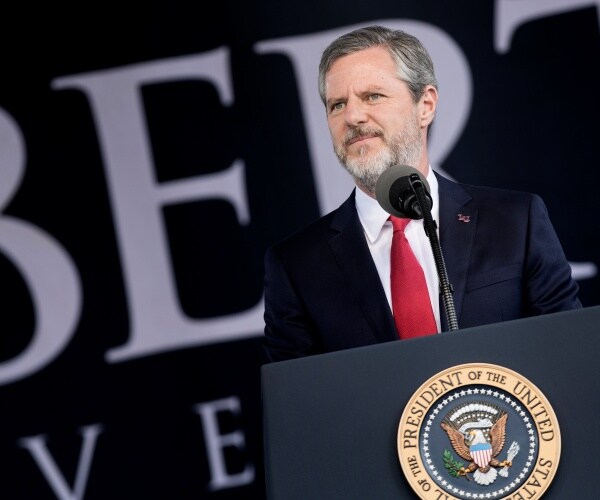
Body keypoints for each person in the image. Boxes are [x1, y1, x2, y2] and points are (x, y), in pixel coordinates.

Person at [262, 25, 582, 362]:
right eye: (337, 105)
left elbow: (572, 358)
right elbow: (294, 405)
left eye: (372, 96)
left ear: (425, 105)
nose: (353, 116)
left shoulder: (516, 222)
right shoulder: (296, 267)